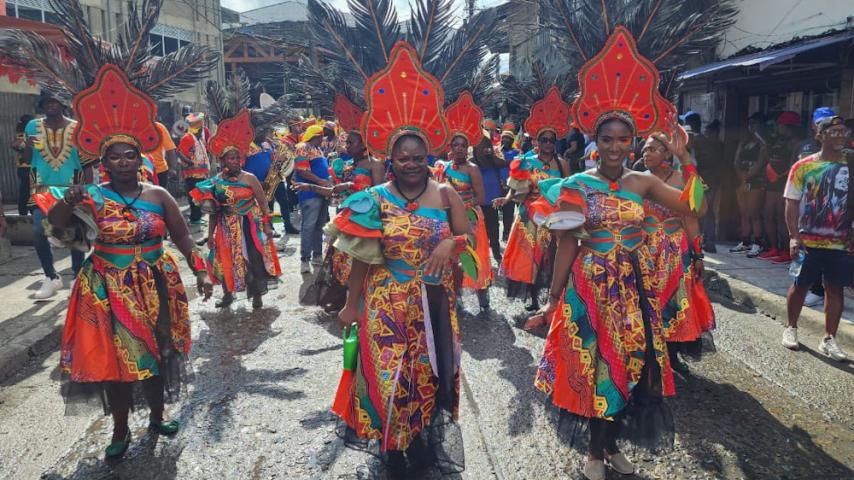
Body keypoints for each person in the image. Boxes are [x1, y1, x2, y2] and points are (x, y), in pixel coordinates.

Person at [38, 65, 213, 460]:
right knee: (115, 362)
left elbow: (183, 236)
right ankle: (118, 429)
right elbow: (59, 228)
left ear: (140, 157)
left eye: (128, 155)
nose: (121, 161)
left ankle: (157, 414)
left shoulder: (158, 195)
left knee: (158, 351)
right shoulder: (91, 197)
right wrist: (68, 200)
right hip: (106, 287)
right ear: (103, 162)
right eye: (113, 156)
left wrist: (200, 270)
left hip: (156, 281)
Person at [329, 42, 472, 478]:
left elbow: (469, 235)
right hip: (385, 302)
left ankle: (422, 440)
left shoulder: (446, 194)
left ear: (429, 156)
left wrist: (452, 245)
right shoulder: (372, 199)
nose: (412, 164)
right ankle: (391, 445)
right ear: (390, 159)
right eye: (403, 157)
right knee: (389, 374)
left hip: (433, 302)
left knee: (430, 373)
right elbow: (361, 259)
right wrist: (352, 305)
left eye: (419, 157)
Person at [641, 134, 715, 374]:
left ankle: (671, 354)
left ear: (667, 153)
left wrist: (698, 255)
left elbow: (693, 218)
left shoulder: (681, 179)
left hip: (674, 251)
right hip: (643, 251)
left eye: (652, 149)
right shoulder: (637, 180)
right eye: (644, 149)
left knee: (673, 303)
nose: (646, 153)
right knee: (645, 302)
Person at [191, 111, 281, 309]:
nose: (234, 161)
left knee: (253, 258)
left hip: (250, 224)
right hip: (225, 226)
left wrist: (267, 226)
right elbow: (213, 211)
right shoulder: (215, 182)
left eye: (237, 158)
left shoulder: (249, 178)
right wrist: (210, 234)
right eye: (230, 158)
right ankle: (227, 294)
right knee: (225, 259)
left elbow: (263, 202)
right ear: (222, 161)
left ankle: (256, 294)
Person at [495, 87, 570, 314]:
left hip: (553, 218)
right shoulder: (525, 163)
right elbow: (517, 189)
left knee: (552, 259)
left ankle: (554, 298)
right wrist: (506, 199)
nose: (547, 144)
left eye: (551, 140)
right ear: (537, 141)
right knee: (530, 259)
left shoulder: (563, 164)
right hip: (529, 217)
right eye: (544, 139)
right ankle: (534, 298)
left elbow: (569, 191)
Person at [782, 116, 851, 361]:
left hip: (841, 242)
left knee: (835, 288)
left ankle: (829, 338)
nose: (840, 136)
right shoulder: (803, 166)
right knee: (800, 285)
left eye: (843, 131)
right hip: (807, 240)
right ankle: (791, 328)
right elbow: (791, 203)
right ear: (819, 136)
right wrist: (793, 236)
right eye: (833, 132)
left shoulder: (850, 165)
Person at [293, 128, 384, 311]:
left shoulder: (375, 165)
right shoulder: (347, 165)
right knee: (341, 262)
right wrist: (309, 186)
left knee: (363, 263)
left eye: (351, 143)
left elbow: (380, 195)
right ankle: (348, 302)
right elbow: (333, 190)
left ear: (364, 144)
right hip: (345, 220)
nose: (347, 146)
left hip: (366, 225)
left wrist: (353, 186)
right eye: (346, 142)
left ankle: (364, 302)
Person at [21, 93, 90, 300]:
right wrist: (28, 146)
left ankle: (77, 279)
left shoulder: (78, 128)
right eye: (47, 103)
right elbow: (26, 159)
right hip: (42, 189)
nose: (51, 106)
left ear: (63, 104)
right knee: (38, 231)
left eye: (55, 102)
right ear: (42, 106)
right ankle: (51, 277)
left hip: (72, 188)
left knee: (75, 233)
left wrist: (88, 189)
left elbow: (86, 162)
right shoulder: (32, 127)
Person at [435, 92, 493, 311]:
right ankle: (456, 293)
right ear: (450, 146)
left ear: (468, 147)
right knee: (453, 258)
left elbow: (481, 197)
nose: (459, 148)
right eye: (455, 144)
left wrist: (463, 208)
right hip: (448, 220)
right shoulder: (443, 167)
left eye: (462, 145)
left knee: (474, 254)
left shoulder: (472, 168)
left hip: (470, 220)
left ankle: (482, 293)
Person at [795, 107, 837, 308]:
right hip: (808, 207)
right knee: (809, 252)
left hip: (834, 210)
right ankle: (813, 287)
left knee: (830, 254)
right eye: (820, 122)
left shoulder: (843, 153)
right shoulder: (805, 146)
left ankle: (821, 290)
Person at [757, 111, 801, 263]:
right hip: (772, 183)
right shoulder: (777, 140)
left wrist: (780, 176)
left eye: (780, 124)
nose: (778, 127)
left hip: (784, 183)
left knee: (782, 218)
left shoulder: (795, 142)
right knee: (768, 215)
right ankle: (774, 247)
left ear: (788, 126)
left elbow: (795, 166)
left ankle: (785, 249)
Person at [293, 124, 331, 273]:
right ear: (317, 136)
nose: (323, 139)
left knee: (319, 225)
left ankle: (317, 255)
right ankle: (305, 259)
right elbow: (302, 170)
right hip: (309, 193)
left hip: (322, 192)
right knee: (308, 225)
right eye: (321, 137)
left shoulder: (317, 149)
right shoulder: (303, 147)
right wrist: (321, 181)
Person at [730, 113, 767, 256]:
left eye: (755, 124)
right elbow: (736, 161)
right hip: (742, 180)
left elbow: (761, 162)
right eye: (750, 124)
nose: (752, 127)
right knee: (744, 212)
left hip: (756, 180)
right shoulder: (744, 141)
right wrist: (742, 177)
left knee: (754, 213)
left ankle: (757, 243)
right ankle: (745, 241)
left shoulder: (763, 144)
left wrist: (749, 175)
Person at [474, 126, 511, 259]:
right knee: (479, 228)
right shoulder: (471, 163)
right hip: (477, 200)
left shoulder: (494, 156)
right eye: (480, 144)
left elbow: (503, 163)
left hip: (492, 198)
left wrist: (490, 155)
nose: (483, 147)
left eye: (485, 143)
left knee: (493, 225)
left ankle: (495, 251)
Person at [693, 118, 724, 253]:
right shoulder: (715, 144)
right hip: (711, 180)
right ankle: (707, 241)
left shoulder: (701, 142)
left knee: (703, 211)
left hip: (704, 181)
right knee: (707, 212)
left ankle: (706, 241)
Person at [177, 112, 211, 225]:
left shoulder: (198, 137)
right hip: (193, 174)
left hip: (201, 173)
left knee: (198, 195)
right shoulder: (188, 137)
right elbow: (179, 152)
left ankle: (196, 217)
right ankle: (195, 218)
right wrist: (190, 162)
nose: (203, 127)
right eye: (201, 125)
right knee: (194, 196)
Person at [10, 114, 34, 216]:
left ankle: (25, 211)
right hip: (28, 167)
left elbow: (14, 145)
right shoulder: (26, 134)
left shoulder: (20, 134)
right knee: (29, 191)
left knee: (25, 190)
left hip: (23, 168)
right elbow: (16, 145)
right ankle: (27, 211)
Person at [149, 121, 177, 188]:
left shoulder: (159, 127)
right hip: (140, 170)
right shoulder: (133, 127)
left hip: (160, 170)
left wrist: (173, 168)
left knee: (159, 196)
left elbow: (170, 149)